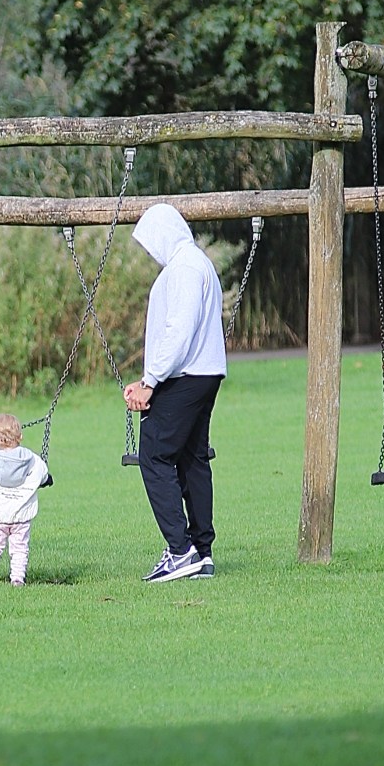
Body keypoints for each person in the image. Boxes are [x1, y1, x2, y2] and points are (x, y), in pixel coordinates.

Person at [124, 203, 227, 583]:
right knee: (193, 459)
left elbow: (178, 332)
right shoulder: (199, 263)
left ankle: (180, 551)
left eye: (150, 242)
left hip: (184, 375)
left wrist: (150, 381)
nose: (150, 252)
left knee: (153, 453)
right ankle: (202, 552)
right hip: (207, 372)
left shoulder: (183, 267)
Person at [0, 413, 50, 586]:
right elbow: (43, 475)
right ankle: (17, 579)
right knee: (20, 548)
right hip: (21, 515)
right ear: (20, 436)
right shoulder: (32, 461)